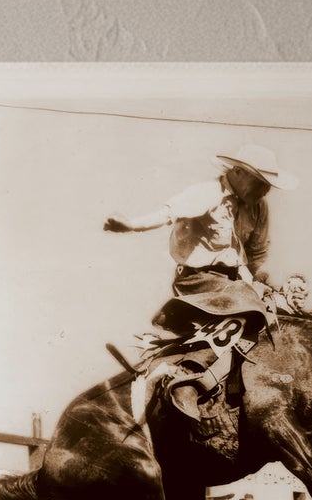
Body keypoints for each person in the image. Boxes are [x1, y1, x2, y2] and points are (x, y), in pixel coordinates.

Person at [103, 142, 301, 351]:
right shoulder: (208, 192)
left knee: (270, 313)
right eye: (259, 183)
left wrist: (252, 283)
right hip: (197, 279)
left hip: (234, 283)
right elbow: (167, 214)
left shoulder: (259, 208)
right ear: (238, 172)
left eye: (267, 185)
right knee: (249, 303)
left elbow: (257, 252)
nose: (264, 191)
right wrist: (131, 225)